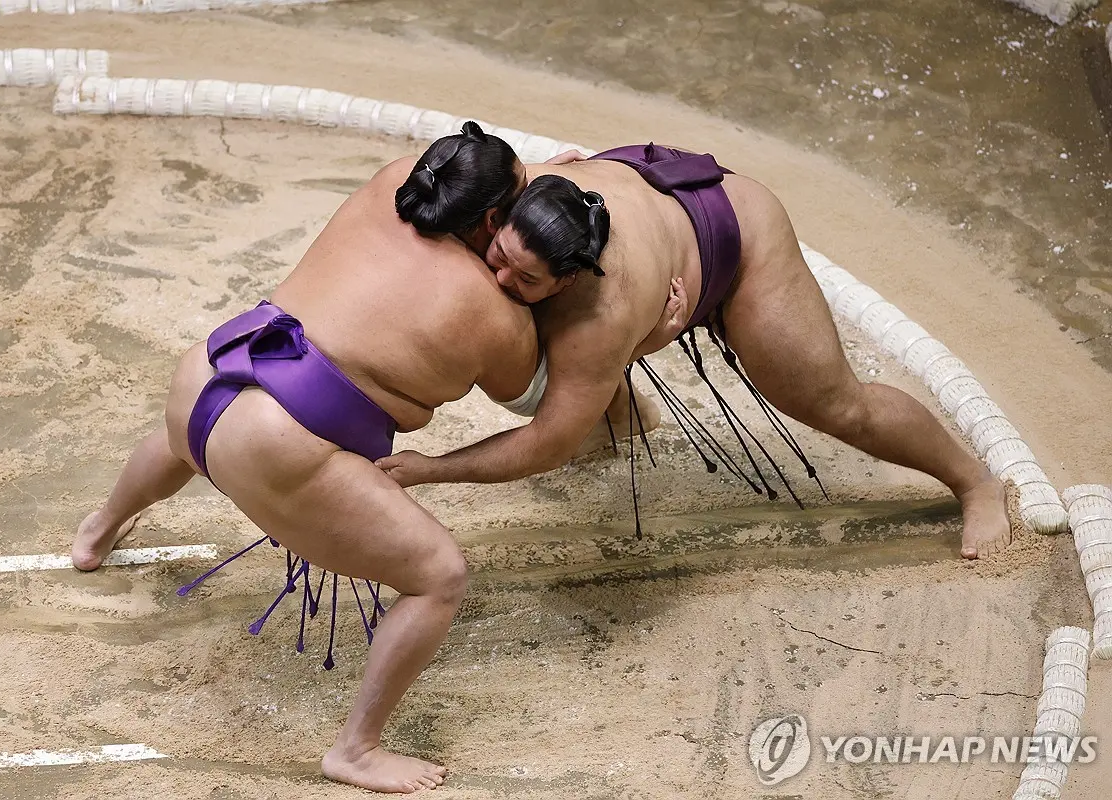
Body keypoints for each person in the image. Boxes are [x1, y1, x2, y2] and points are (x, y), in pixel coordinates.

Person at [70, 124, 548, 794]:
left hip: (210, 371)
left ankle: (97, 531)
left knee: (185, 443)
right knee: (439, 575)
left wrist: (540, 174)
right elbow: (533, 395)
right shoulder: (495, 316)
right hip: (277, 441)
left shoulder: (395, 181)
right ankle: (356, 749)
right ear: (493, 220)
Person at [378, 141, 1012, 560]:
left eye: (527, 279)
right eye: (499, 257)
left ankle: (972, 481)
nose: (499, 281)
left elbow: (549, 440)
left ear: (568, 279)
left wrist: (433, 468)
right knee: (562, 344)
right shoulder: (515, 190)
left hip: (734, 237)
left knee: (833, 402)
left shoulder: (597, 315)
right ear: (499, 219)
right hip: (644, 198)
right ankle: (629, 418)